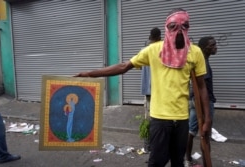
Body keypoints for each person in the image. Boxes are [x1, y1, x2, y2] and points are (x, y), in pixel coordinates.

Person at [74, 8, 211, 167]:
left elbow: (202, 87)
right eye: (173, 26)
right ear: (166, 27)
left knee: (177, 162)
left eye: (184, 25)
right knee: (157, 162)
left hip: (182, 119)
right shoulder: (153, 50)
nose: (179, 30)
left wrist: (207, 119)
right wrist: (90, 74)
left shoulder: (195, 53)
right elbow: (124, 66)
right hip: (160, 119)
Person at [185, 36, 217, 167]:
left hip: (196, 100)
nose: (215, 47)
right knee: (205, 134)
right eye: (212, 45)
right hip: (204, 102)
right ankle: (206, 162)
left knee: (192, 131)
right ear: (204, 48)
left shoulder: (202, 60)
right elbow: (201, 86)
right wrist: (207, 114)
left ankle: (187, 159)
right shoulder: (203, 62)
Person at [141, 27, 161, 153]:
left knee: (148, 118)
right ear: (159, 37)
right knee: (158, 119)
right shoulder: (162, 50)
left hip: (148, 90)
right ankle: (155, 145)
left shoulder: (144, 51)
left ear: (150, 37)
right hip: (159, 90)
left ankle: (147, 146)